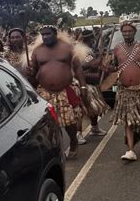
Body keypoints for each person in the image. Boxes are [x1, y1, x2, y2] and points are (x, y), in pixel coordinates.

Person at [28, 25, 87, 160]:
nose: (45, 37)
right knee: (48, 123)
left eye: (48, 34)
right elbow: (34, 72)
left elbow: (78, 68)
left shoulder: (67, 47)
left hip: (64, 91)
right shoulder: (37, 51)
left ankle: (73, 141)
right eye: (43, 35)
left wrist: (83, 87)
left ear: (55, 34)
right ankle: (53, 147)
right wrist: (30, 73)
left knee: (69, 121)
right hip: (44, 92)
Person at [109, 22, 140, 161]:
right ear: (121, 33)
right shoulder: (117, 49)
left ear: (134, 32)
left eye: (130, 31)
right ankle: (130, 150)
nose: (127, 34)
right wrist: (108, 67)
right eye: (124, 32)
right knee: (128, 120)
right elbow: (114, 66)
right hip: (124, 91)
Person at [76, 29, 108, 145]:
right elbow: (93, 64)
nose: (93, 41)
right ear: (89, 39)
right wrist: (100, 54)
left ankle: (94, 127)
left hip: (86, 82)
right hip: (84, 82)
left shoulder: (84, 49)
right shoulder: (84, 51)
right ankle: (78, 133)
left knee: (92, 107)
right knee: (82, 108)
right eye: (92, 39)